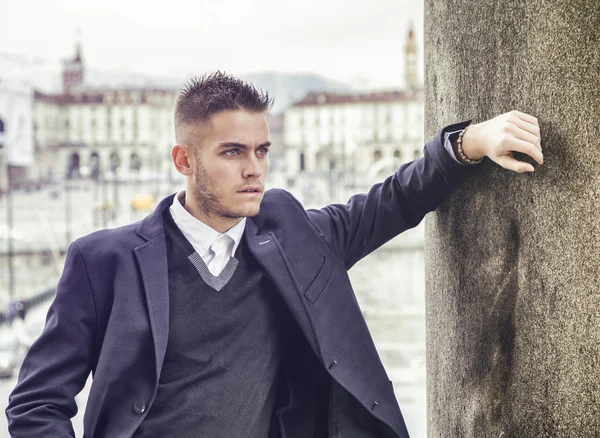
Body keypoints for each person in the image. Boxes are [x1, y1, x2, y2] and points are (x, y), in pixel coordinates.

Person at [6, 72, 543, 438]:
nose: (254, 169)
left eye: (261, 150)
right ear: (184, 160)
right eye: (232, 152)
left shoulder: (293, 238)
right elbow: (36, 403)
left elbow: (393, 201)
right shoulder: (103, 262)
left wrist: (468, 143)